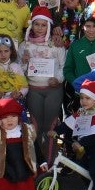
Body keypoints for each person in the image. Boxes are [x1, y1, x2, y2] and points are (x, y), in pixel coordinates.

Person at [20, 8, 66, 136]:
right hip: (33, 89)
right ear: (32, 25)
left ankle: (50, 149)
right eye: (36, 24)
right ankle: (37, 148)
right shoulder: (25, 45)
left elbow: (64, 66)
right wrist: (24, 62)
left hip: (53, 90)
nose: (40, 28)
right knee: (36, 124)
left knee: (50, 125)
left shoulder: (56, 44)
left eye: (43, 25)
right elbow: (19, 70)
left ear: (48, 26)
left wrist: (58, 79)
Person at [0, 36, 29, 101]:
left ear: (11, 51)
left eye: (6, 51)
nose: (3, 55)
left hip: (15, 102)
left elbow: (25, 87)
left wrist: (19, 93)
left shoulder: (17, 67)